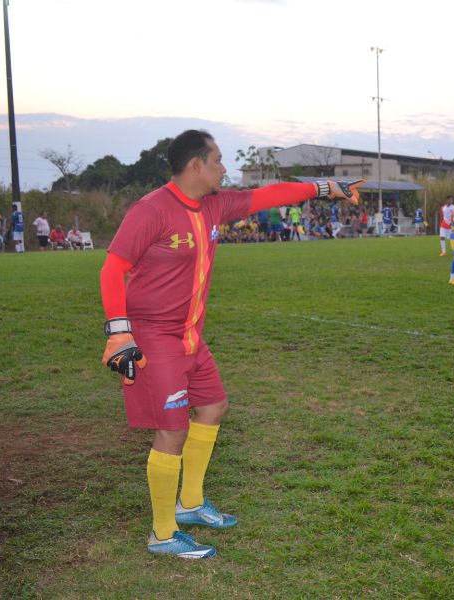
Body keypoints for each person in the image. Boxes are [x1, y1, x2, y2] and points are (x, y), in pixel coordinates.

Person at [99, 129, 363, 559]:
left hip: (190, 335)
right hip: (154, 337)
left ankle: (190, 503)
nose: (224, 169)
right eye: (218, 160)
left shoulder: (214, 204)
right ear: (196, 165)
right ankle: (162, 535)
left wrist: (324, 186)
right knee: (172, 430)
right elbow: (112, 269)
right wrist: (119, 331)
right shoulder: (151, 210)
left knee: (213, 406)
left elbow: (268, 195)